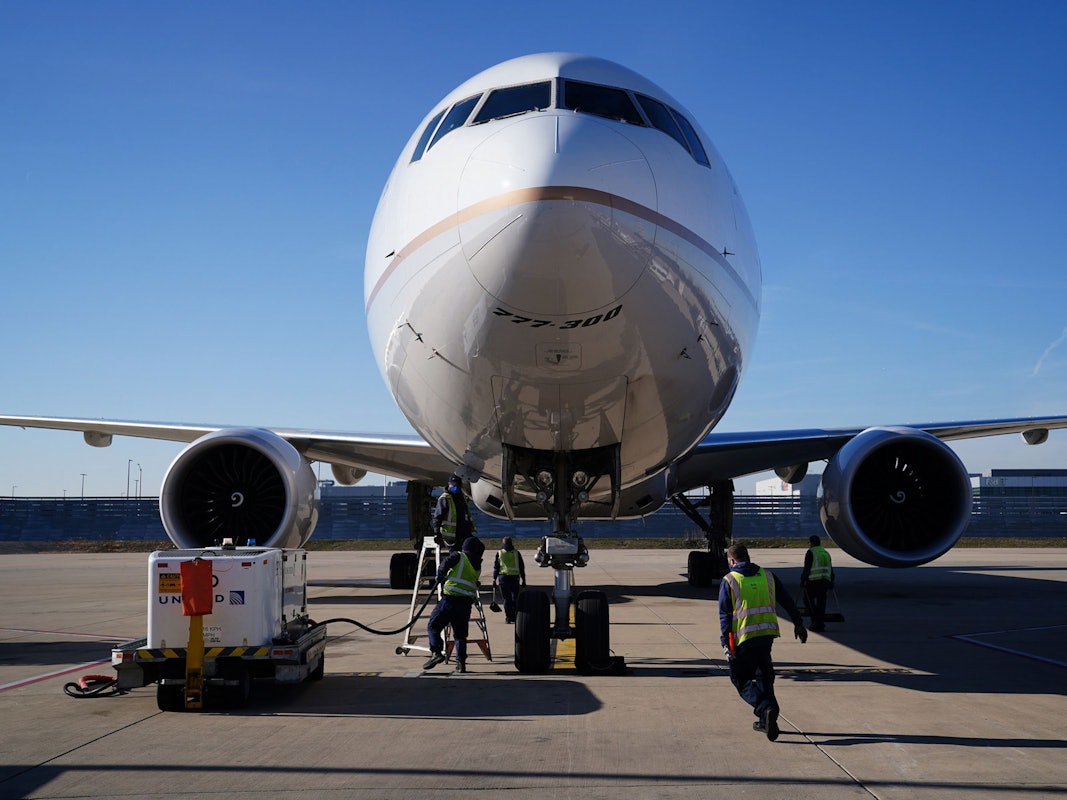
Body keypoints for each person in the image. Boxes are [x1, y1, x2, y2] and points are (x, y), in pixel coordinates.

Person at [719, 542, 807, 741]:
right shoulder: (767, 576)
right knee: (764, 677)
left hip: (744, 639)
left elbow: (725, 616)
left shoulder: (730, 580)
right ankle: (767, 720)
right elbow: (787, 600)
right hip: (766, 635)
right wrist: (798, 623)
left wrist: (726, 643)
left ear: (732, 561)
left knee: (740, 679)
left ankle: (765, 708)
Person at [423, 535, 484, 673]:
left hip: (450, 600)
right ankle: (461, 663)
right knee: (460, 635)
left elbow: (445, 564)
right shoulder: (477, 566)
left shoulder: (459, 556)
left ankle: (436, 652)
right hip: (465, 604)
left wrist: (440, 574)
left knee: (433, 626)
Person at [432, 473, 476, 552]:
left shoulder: (462, 498)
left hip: (463, 534)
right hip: (452, 537)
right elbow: (437, 517)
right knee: (456, 555)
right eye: (454, 485)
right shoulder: (445, 498)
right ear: (449, 484)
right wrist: (436, 533)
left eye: (458, 485)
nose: (456, 487)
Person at [800, 534, 835, 633]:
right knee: (821, 604)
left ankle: (815, 621)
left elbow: (807, 568)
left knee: (807, 601)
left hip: (813, 581)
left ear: (811, 543)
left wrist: (803, 580)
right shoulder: (825, 553)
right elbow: (830, 568)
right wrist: (832, 581)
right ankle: (820, 623)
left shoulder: (811, 552)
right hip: (825, 582)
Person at [492, 536, 526, 623]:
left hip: (503, 577)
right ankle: (514, 616)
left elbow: (496, 567)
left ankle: (508, 617)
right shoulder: (516, 553)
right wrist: (524, 579)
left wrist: (494, 579)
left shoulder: (499, 553)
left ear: (503, 543)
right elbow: (521, 567)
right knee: (515, 598)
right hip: (514, 577)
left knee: (506, 599)